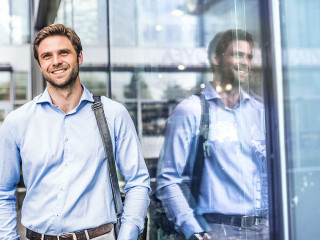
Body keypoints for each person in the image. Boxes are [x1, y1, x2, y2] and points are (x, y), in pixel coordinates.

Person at [0, 24, 150, 240]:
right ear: (41, 64)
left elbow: (138, 182)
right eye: (46, 56)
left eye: (63, 52)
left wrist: (127, 236)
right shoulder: (17, 122)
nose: (56, 61)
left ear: (79, 57)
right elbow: (3, 191)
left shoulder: (113, 114)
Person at [156, 29, 268, 240]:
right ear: (216, 58)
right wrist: (194, 231)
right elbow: (168, 179)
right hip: (217, 230)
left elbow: (269, 174)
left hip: (264, 229)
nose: (245, 62)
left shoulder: (260, 112)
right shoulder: (191, 111)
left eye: (249, 56)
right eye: (238, 54)